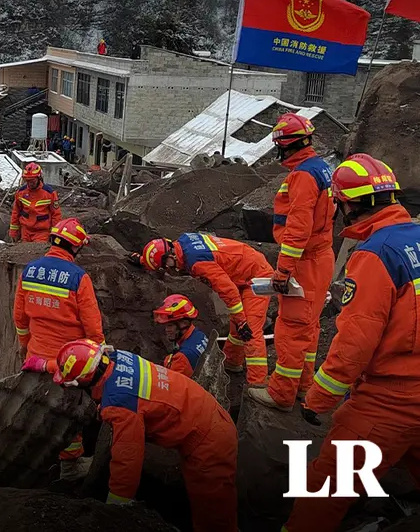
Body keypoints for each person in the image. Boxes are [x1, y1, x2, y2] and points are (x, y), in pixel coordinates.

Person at [282, 154, 419, 531]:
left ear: (351, 204)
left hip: (391, 401)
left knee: (323, 493)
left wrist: (318, 400)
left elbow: (355, 343)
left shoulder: (375, 255)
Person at [52, 340, 238, 532]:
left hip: (209, 441)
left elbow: (127, 460)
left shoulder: (120, 404)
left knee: (215, 521)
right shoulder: (117, 357)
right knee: (206, 509)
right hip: (205, 417)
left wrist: (116, 506)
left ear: (83, 382)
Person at [248, 113, 335, 412]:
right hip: (321, 258)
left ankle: (282, 394)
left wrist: (283, 270)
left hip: (305, 262)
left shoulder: (302, 177)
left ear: (285, 145)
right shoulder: (321, 168)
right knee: (308, 328)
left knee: (291, 329)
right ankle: (303, 386)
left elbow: (298, 228)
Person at [15, 218, 104, 480]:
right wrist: (97, 356)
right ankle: (70, 469)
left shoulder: (30, 270)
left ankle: (35, 460)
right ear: (75, 247)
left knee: (38, 407)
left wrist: (26, 347)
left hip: (35, 355)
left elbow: (20, 318)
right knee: (67, 414)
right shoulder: (78, 278)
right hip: (70, 361)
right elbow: (93, 327)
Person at [133, 233, 272, 387]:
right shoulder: (182, 242)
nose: (167, 270)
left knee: (249, 329)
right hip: (244, 266)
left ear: (171, 253)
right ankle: (231, 362)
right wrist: (143, 261)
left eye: (166, 264)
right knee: (237, 326)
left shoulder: (197, 263)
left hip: (256, 276)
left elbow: (228, 291)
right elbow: (161, 255)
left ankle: (258, 383)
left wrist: (241, 321)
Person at [153, 294, 209, 379]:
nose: (166, 330)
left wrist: (168, 362)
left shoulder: (181, 359)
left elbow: (170, 385)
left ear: (184, 323)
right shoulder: (199, 335)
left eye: (170, 325)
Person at [9, 162, 61, 242]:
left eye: (32, 180)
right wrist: (13, 232)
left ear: (39, 178)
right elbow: (16, 212)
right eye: (27, 180)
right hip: (25, 231)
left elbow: (56, 215)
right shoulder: (21, 192)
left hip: (42, 232)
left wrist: (55, 234)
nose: (30, 183)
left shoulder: (49, 193)